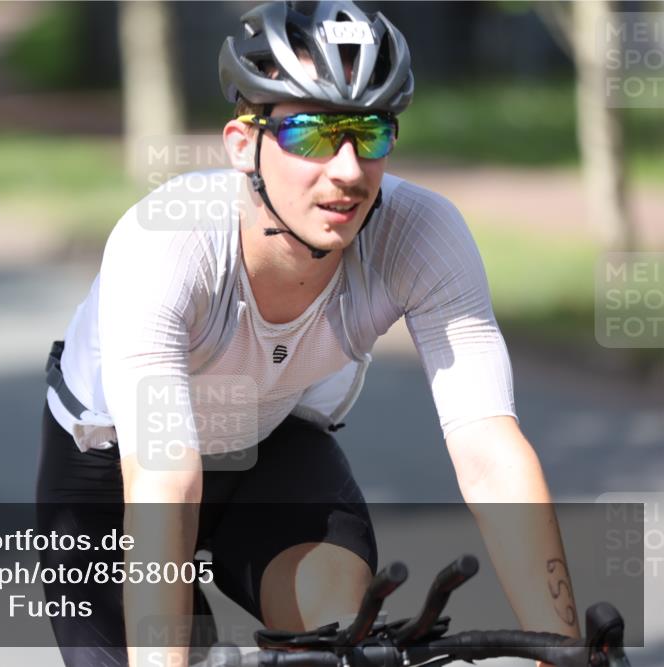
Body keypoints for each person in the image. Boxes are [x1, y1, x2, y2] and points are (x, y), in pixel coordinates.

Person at [37, 2, 580, 666]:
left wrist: (564, 648)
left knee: (341, 636)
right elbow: (164, 479)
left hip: (268, 445)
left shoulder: (422, 235)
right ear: (243, 144)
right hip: (117, 476)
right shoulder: (168, 243)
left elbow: (492, 457)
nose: (349, 170)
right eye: (314, 134)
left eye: (370, 133)